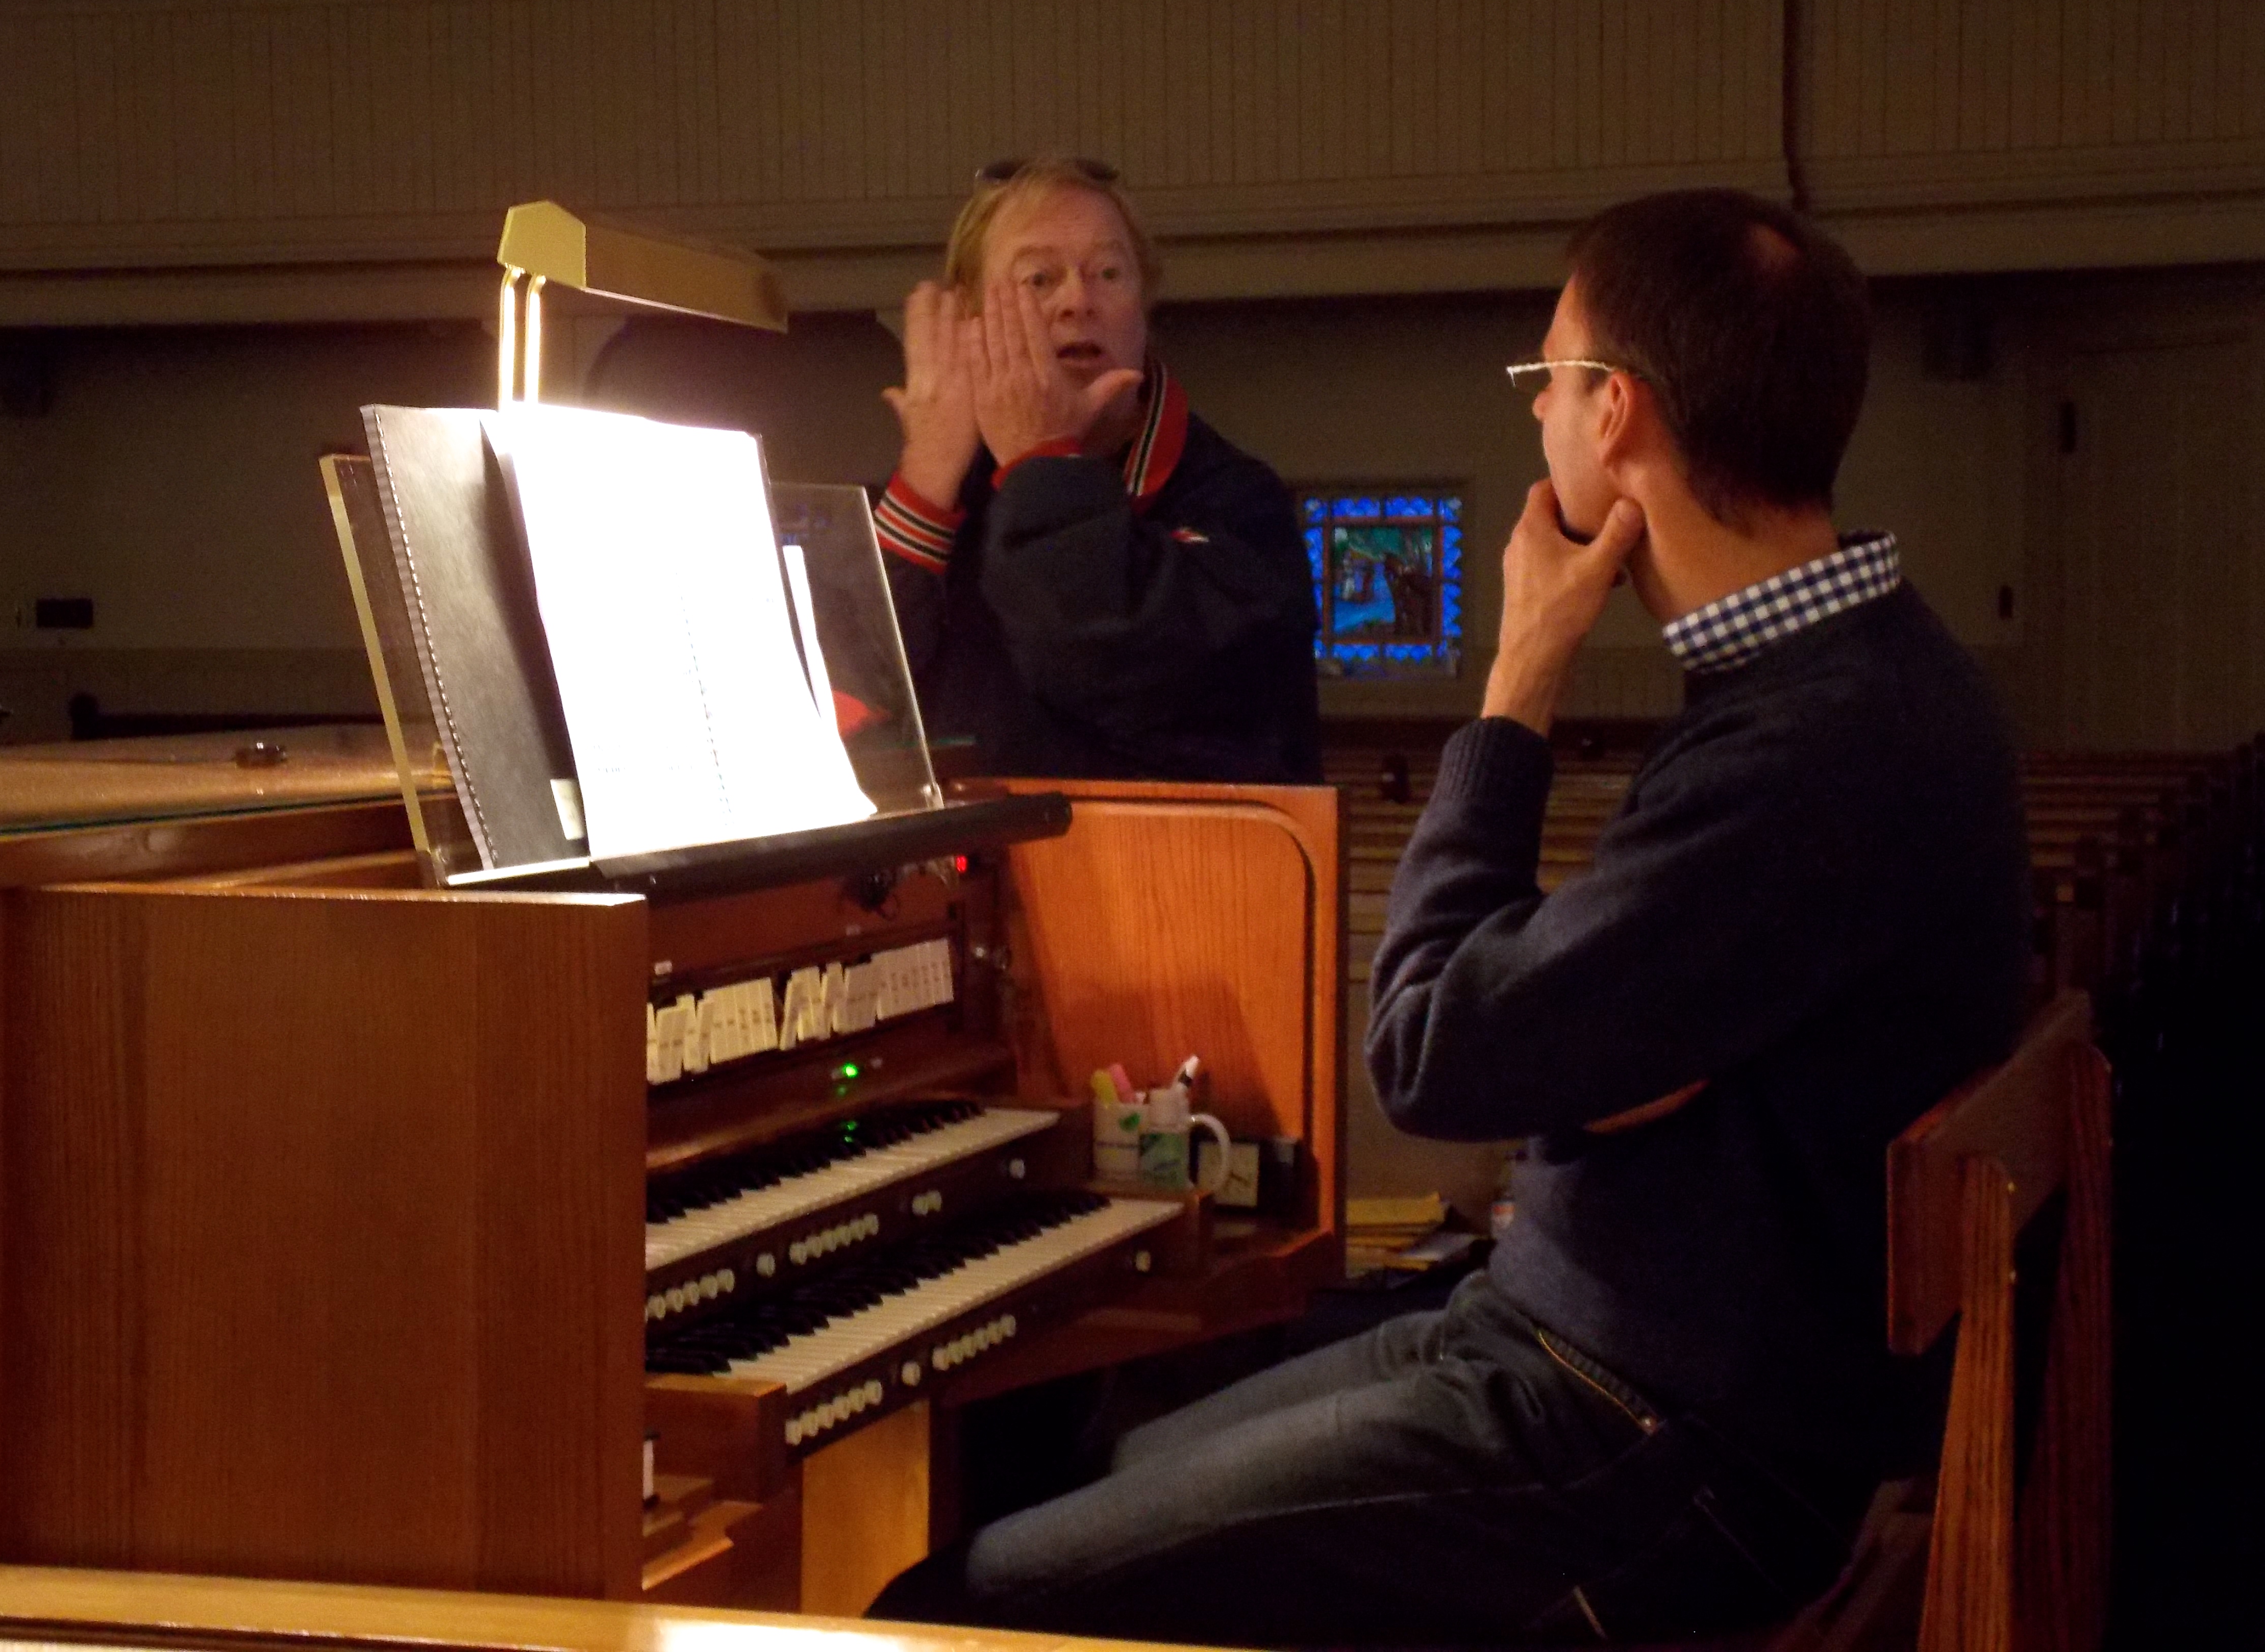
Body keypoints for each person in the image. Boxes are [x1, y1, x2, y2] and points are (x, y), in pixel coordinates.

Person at [868, 188, 2030, 1646]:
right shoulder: (1850, 681)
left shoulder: (1821, 743)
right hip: (1589, 1340)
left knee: (958, 1606)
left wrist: (1520, 675)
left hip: (1653, 1435)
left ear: (1613, 417)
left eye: (1547, 376)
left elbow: (1429, 1052)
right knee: (1120, 1458)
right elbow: (1558, 1049)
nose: (1537, 413)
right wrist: (1584, 1079)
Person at [872, 157, 1319, 782]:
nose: (1077, 301)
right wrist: (924, 484)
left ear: (1144, 310)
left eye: (1109, 273)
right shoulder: (943, 488)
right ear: (972, 321)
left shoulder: (1240, 504)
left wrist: (1041, 457)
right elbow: (844, 709)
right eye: (1039, 279)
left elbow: (1107, 661)